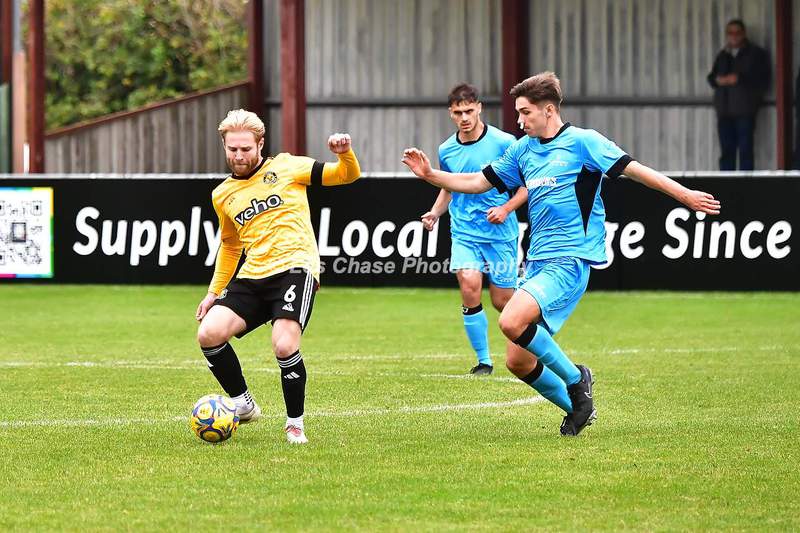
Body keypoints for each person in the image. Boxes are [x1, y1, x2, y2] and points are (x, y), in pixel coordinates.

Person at [403, 72, 721, 436]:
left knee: (510, 321)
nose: (519, 121)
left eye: (525, 113)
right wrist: (430, 175)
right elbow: (477, 182)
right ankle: (577, 409)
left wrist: (685, 196)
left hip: (570, 260)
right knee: (518, 361)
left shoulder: (584, 142)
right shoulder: (522, 150)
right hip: (537, 262)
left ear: (549, 110)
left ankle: (576, 378)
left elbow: (636, 171)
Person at [195, 109, 361, 444]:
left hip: (295, 268)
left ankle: (294, 424)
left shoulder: (287, 166)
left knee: (284, 344)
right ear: (224, 146)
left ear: (260, 144)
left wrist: (344, 154)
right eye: (232, 149)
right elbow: (230, 245)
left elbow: (346, 176)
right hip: (253, 274)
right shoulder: (222, 194)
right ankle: (243, 404)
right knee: (208, 333)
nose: (238, 155)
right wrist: (214, 292)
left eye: (245, 148)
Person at [421, 83, 528, 375]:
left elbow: (525, 187)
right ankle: (484, 361)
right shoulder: (446, 149)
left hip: (500, 234)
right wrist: (435, 213)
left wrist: (506, 208)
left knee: (502, 301)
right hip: (464, 231)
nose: (464, 117)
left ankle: (533, 330)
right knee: (469, 284)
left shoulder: (504, 142)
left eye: (469, 110)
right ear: (451, 113)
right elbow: (449, 186)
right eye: (458, 113)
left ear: (479, 108)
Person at [707, 19, 770, 170]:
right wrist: (719, 80)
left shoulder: (755, 54)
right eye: (730, 33)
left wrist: (739, 79)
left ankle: (746, 183)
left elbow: (763, 79)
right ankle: (726, 182)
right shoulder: (723, 54)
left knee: (745, 151)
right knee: (726, 152)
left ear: (744, 34)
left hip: (745, 111)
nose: (734, 36)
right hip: (724, 111)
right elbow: (711, 78)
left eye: (737, 32)